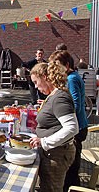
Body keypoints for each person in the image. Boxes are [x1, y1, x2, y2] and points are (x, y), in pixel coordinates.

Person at [29, 62, 79, 192]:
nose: (35, 86)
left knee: (52, 189)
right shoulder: (54, 95)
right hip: (52, 152)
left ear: (45, 77)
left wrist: (44, 141)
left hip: (56, 154)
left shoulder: (60, 97)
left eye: (36, 82)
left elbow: (72, 128)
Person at [48, 50, 88, 191]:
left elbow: (75, 105)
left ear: (66, 64)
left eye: (57, 65)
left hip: (78, 127)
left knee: (71, 168)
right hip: (80, 124)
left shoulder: (71, 79)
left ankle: (73, 188)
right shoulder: (73, 76)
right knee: (73, 166)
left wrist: (58, 116)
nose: (55, 70)